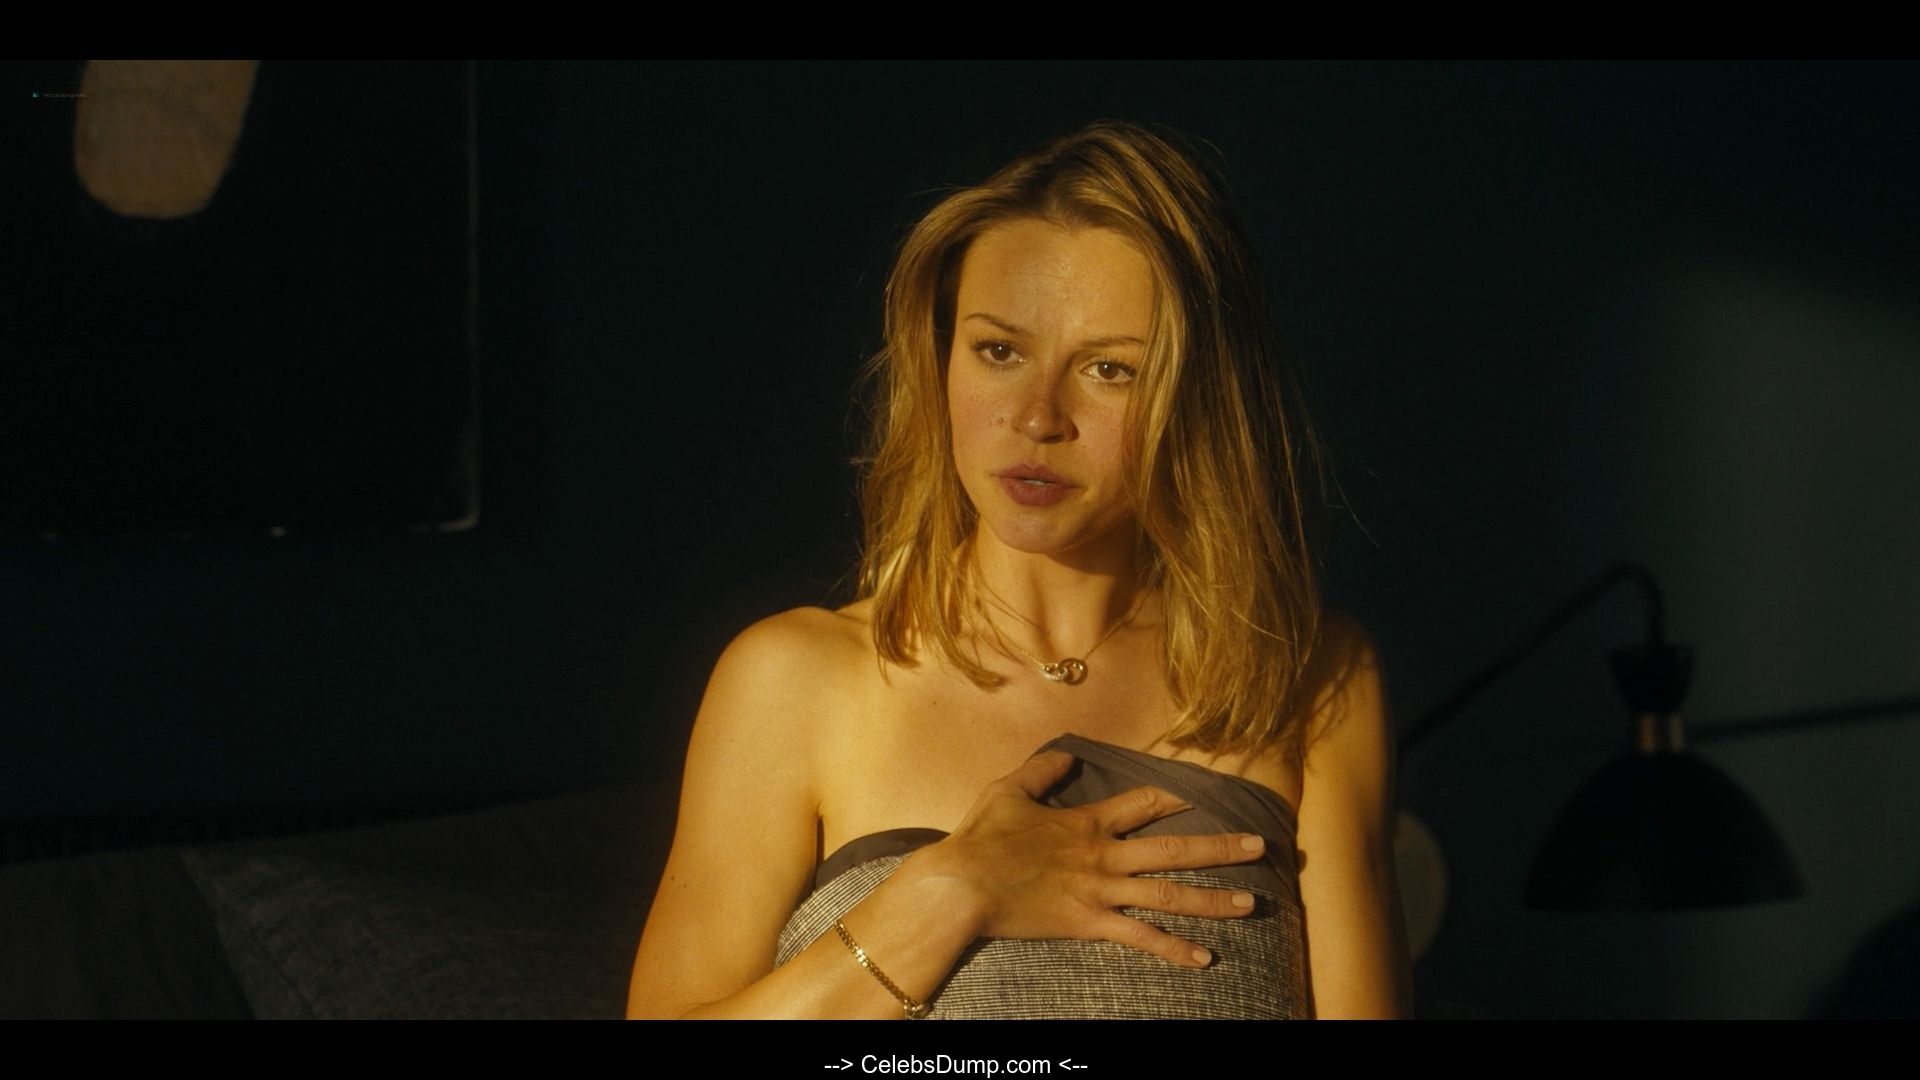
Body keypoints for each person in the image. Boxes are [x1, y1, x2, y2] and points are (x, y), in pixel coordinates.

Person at [627, 121, 1410, 1019]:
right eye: (999, 351)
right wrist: (945, 896)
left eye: (1109, 369)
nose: (1038, 417)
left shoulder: (1304, 676)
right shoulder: (794, 682)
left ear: (1198, 395)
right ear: (940, 358)